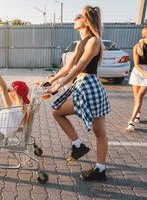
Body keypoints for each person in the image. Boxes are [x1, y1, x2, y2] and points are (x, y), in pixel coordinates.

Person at [40, 6, 110, 181]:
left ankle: (98, 167)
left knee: (99, 132)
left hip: (90, 88)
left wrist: (58, 86)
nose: (75, 19)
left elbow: (80, 67)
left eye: (78, 16)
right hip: (83, 86)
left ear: (86, 21)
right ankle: (79, 147)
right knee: (59, 112)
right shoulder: (81, 42)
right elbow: (68, 67)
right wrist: (51, 80)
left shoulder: (94, 41)